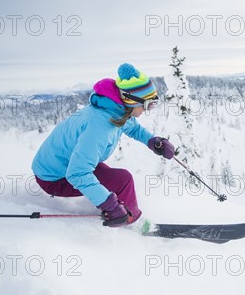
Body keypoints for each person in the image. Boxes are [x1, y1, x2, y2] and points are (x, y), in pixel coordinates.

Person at [31, 63, 175, 227]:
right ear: (131, 100)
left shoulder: (116, 110)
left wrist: (153, 141)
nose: (148, 110)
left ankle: (123, 209)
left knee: (117, 179)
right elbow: (77, 174)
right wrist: (108, 204)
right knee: (123, 180)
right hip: (54, 178)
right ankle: (132, 222)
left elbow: (133, 127)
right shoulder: (101, 127)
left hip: (61, 165)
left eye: (153, 103)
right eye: (148, 104)